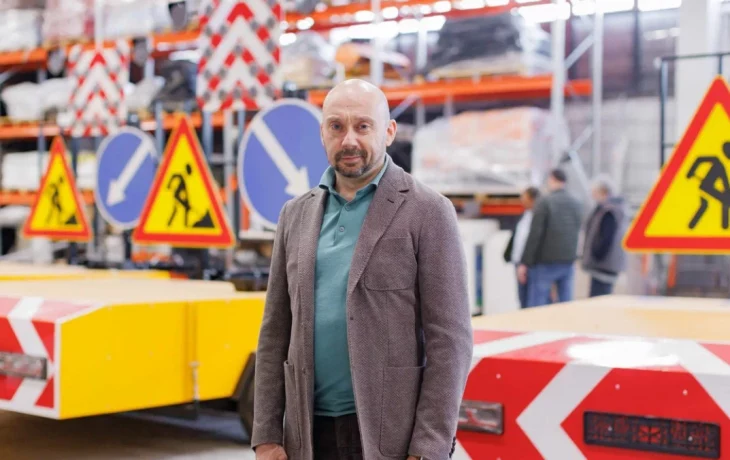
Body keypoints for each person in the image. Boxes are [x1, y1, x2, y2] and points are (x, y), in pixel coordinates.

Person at [252, 79, 473, 460]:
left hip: (388, 436)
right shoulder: (295, 215)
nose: (349, 140)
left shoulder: (428, 211)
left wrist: (429, 447)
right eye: (337, 126)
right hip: (307, 434)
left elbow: (451, 341)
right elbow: (275, 331)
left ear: (388, 132)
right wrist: (267, 435)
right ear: (322, 133)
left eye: (363, 126)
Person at [518, 168, 583, 308]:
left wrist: (525, 263)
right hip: (568, 261)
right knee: (566, 304)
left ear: (552, 179)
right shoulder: (576, 203)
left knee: (537, 305)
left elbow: (535, 235)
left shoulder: (544, 202)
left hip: (545, 263)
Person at [581, 174, 628, 297]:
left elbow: (606, 238)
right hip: (603, 265)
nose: (593, 195)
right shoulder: (608, 209)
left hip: (604, 266)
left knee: (599, 298)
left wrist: (596, 255)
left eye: (594, 192)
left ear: (603, 191)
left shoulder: (609, 211)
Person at [503, 186, 540, 308]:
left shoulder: (538, 216)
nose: (521, 200)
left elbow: (532, 241)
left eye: (524, 197)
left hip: (531, 264)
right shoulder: (524, 215)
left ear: (531, 198)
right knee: (522, 298)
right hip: (518, 262)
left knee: (533, 300)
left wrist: (525, 264)